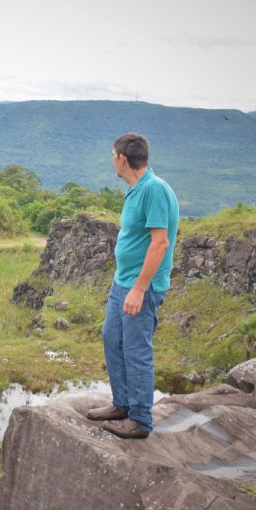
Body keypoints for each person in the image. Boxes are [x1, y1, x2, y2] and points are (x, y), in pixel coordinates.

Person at [87, 132, 179, 439]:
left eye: (113, 155)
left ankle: (140, 418)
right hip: (122, 282)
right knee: (112, 338)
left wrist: (139, 289)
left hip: (141, 287)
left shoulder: (153, 190)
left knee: (137, 350)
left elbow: (160, 243)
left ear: (123, 158)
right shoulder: (136, 189)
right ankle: (122, 403)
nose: (112, 160)